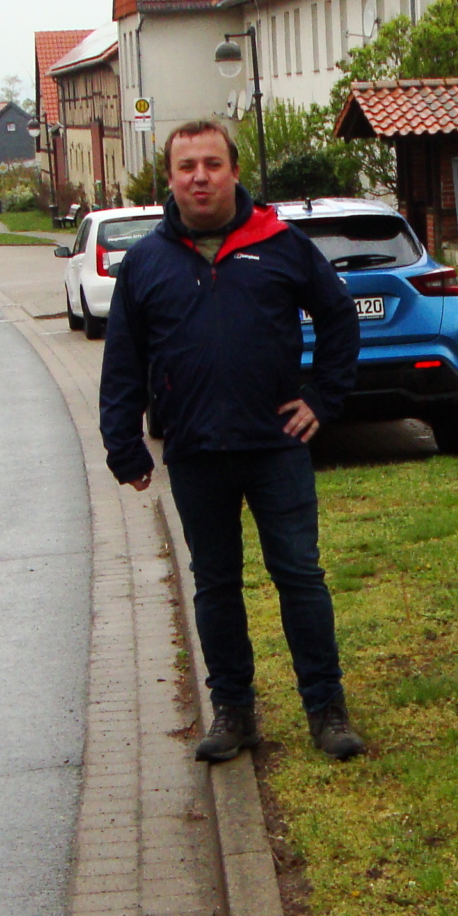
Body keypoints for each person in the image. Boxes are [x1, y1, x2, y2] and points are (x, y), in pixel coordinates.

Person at [98, 119, 367, 763]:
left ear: (234, 172)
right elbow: (123, 361)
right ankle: (233, 711)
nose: (200, 177)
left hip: (275, 446)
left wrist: (323, 400)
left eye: (212, 164)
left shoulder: (280, 244)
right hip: (195, 452)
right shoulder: (146, 262)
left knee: (300, 577)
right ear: (170, 178)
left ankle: (326, 709)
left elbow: (338, 318)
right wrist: (123, 445)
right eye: (187, 166)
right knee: (215, 585)